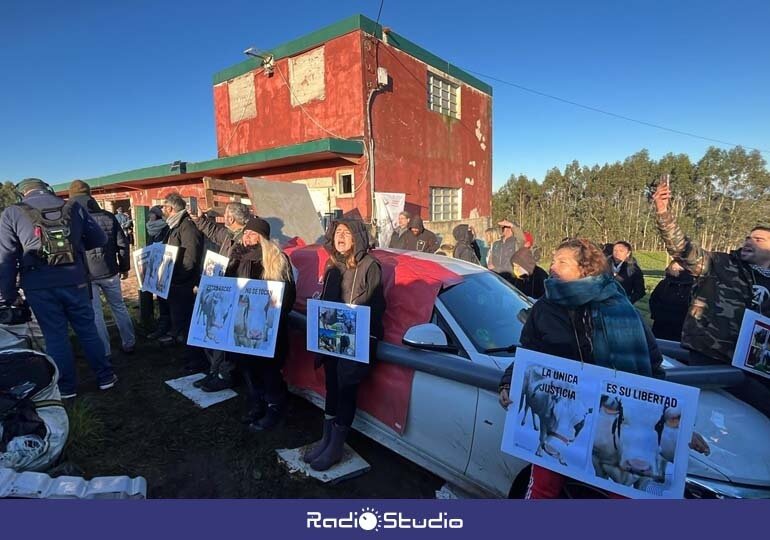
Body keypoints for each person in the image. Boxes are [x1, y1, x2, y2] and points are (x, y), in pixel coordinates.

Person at [496, 238, 705, 498]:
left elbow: (651, 368)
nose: (552, 266)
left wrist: (679, 422)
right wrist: (508, 382)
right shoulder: (544, 308)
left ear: (586, 269)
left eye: (562, 262)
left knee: (622, 491)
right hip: (560, 417)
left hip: (614, 419)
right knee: (542, 489)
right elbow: (529, 353)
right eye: (552, 260)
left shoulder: (620, 308)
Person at [652, 180, 770, 416]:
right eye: (748, 237)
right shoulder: (720, 264)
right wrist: (663, 212)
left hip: (758, 365)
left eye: (758, 239)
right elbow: (681, 248)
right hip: (712, 356)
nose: (748, 241)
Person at [0, 178, 116, 398]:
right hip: (76, 281)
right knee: (87, 330)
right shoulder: (72, 207)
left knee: (55, 336)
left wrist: (9, 294)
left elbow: (6, 258)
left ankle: (66, 388)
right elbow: (99, 238)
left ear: (22, 194)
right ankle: (105, 377)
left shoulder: (12, 213)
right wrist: (76, 248)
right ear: (48, 189)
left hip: (38, 286)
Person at [303, 219, 386, 471]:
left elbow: (377, 307)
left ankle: (337, 446)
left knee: (346, 390)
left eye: (346, 233)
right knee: (332, 388)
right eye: (337, 232)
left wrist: (356, 327)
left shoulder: (370, 266)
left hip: (355, 340)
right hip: (332, 338)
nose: (340, 236)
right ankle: (326, 439)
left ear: (357, 238)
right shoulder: (332, 264)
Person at [214, 217, 296, 429]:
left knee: (268, 370)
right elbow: (228, 287)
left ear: (263, 238)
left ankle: (275, 406)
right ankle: (256, 403)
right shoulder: (237, 257)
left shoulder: (277, 260)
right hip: (241, 326)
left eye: (253, 234)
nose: (248, 238)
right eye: (246, 233)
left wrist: (271, 314)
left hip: (267, 328)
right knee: (248, 367)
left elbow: (287, 295)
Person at [68, 180, 136, 358]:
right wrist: (124, 267)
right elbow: (123, 244)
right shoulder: (108, 216)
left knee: (95, 314)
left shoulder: (71, 219)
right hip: (110, 270)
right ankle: (129, 342)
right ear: (90, 195)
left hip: (86, 274)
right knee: (119, 307)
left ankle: (104, 351)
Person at [192, 202, 250, 391]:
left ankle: (225, 375)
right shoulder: (229, 235)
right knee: (213, 335)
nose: (224, 217)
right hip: (221, 292)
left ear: (231, 218)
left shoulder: (248, 239)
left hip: (234, 295)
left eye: (225, 214)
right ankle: (214, 371)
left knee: (224, 341)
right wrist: (199, 219)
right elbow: (213, 231)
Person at [159, 193, 204, 372]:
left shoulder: (187, 227)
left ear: (170, 208)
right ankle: (188, 356)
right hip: (176, 282)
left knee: (187, 322)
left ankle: (196, 361)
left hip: (184, 284)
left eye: (163, 207)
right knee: (180, 322)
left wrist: (177, 279)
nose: (162, 210)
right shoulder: (173, 226)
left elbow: (190, 259)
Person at [142, 206, 172, 337]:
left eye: (152, 215)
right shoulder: (151, 229)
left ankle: (167, 326)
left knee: (165, 299)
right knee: (159, 298)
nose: (149, 217)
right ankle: (161, 324)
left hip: (165, 267)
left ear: (158, 215)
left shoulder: (166, 229)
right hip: (154, 267)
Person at [649, 261, 694, 341]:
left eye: (677, 268)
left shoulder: (691, 286)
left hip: (680, 326)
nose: (674, 270)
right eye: (673, 268)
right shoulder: (664, 283)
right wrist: (657, 315)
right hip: (661, 324)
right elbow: (653, 299)